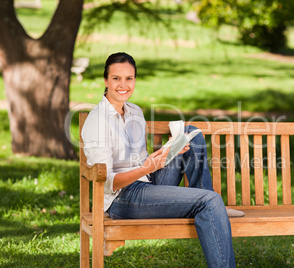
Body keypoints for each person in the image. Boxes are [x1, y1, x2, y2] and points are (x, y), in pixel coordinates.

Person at [81, 52, 243, 267]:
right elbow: (108, 182)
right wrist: (147, 167)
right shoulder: (97, 120)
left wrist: (168, 152)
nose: (123, 84)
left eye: (129, 78)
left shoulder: (134, 112)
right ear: (106, 81)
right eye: (116, 78)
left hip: (146, 182)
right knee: (210, 201)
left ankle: (210, 203)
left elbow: (139, 161)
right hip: (122, 199)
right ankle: (211, 204)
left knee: (191, 133)